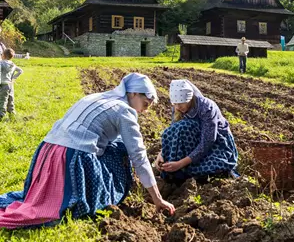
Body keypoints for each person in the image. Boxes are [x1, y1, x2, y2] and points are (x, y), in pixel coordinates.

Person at [0, 73, 175, 229]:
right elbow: (138, 156)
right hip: (70, 157)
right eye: (145, 105)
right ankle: (103, 195)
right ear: (134, 93)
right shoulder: (125, 112)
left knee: (117, 145)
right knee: (122, 151)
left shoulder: (95, 97)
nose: (144, 111)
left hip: (47, 152)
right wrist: (157, 199)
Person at [154, 79, 238, 184]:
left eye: (181, 103)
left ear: (190, 98)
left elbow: (207, 142)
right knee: (174, 130)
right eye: (175, 104)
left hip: (216, 143)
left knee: (211, 166)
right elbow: (173, 133)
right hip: (193, 141)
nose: (178, 107)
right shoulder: (177, 108)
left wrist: (180, 163)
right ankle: (175, 173)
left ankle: (186, 170)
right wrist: (161, 154)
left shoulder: (206, 107)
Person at [0, 48, 23, 120]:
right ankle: (12, 113)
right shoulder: (13, 65)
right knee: (10, 99)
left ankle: (1, 114)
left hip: (3, 84)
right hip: (10, 85)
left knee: (2, 100)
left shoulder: (1, 63)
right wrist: (13, 78)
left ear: (3, 55)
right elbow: (20, 71)